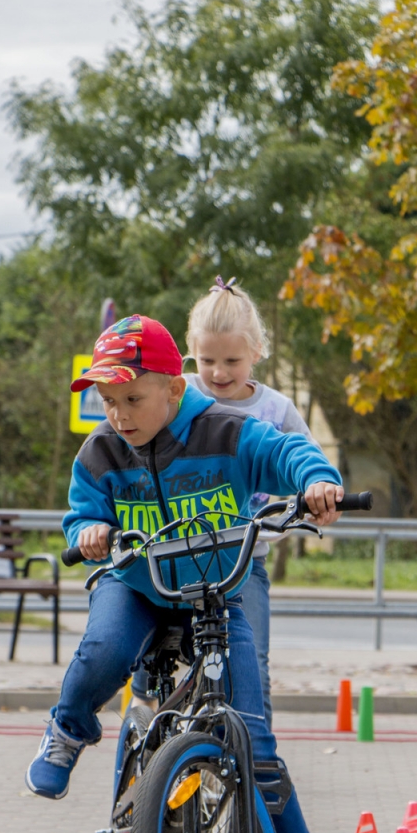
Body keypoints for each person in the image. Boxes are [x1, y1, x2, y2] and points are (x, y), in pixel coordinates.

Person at [25, 313, 345, 833]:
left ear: (174, 389)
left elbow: (285, 452)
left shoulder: (226, 431)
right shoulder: (103, 452)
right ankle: (68, 728)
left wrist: (315, 480)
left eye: (132, 398)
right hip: (137, 582)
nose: (118, 415)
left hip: (216, 585)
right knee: (103, 652)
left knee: (255, 749)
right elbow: (83, 506)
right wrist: (88, 529)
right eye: (107, 402)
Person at [131, 275, 316, 729]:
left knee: (252, 662)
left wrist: (316, 491)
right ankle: (143, 691)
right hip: (177, 551)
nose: (218, 372)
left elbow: (307, 459)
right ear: (191, 355)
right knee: (141, 624)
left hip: (241, 561)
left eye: (232, 360)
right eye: (207, 359)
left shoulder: (276, 411)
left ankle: (258, 760)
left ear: (257, 352)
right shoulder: (180, 395)